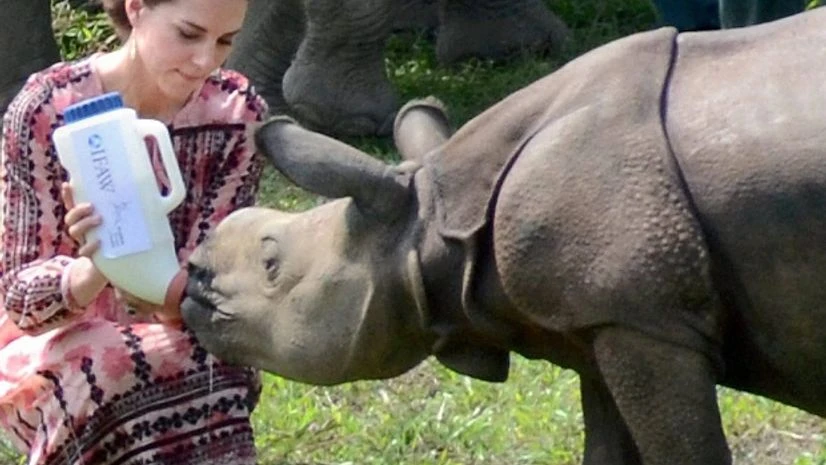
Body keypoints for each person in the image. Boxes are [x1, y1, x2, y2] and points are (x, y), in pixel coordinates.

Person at [0, 0, 268, 463]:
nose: (206, 60)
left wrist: (168, 294)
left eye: (225, 41)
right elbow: (20, 302)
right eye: (188, 34)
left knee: (211, 360)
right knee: (110, 367)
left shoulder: (236, 114)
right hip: (50, 342)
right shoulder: (48, 109)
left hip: (186, 321)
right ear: (136, 8)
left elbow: (216, 277)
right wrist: (92, 268)